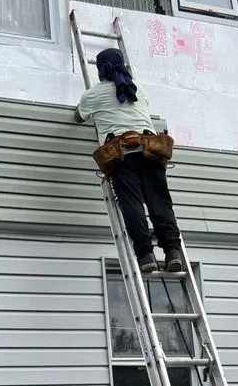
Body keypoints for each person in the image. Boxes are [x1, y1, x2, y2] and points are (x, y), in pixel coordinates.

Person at [75, 48, 182, 274]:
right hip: (150, 150)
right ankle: (172, 251)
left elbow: (79, 116)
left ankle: (145, 256)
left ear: (101, 69)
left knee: (132, 204)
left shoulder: (93, 94)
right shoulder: (138, 89)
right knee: (159, 203)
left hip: (121, 154)